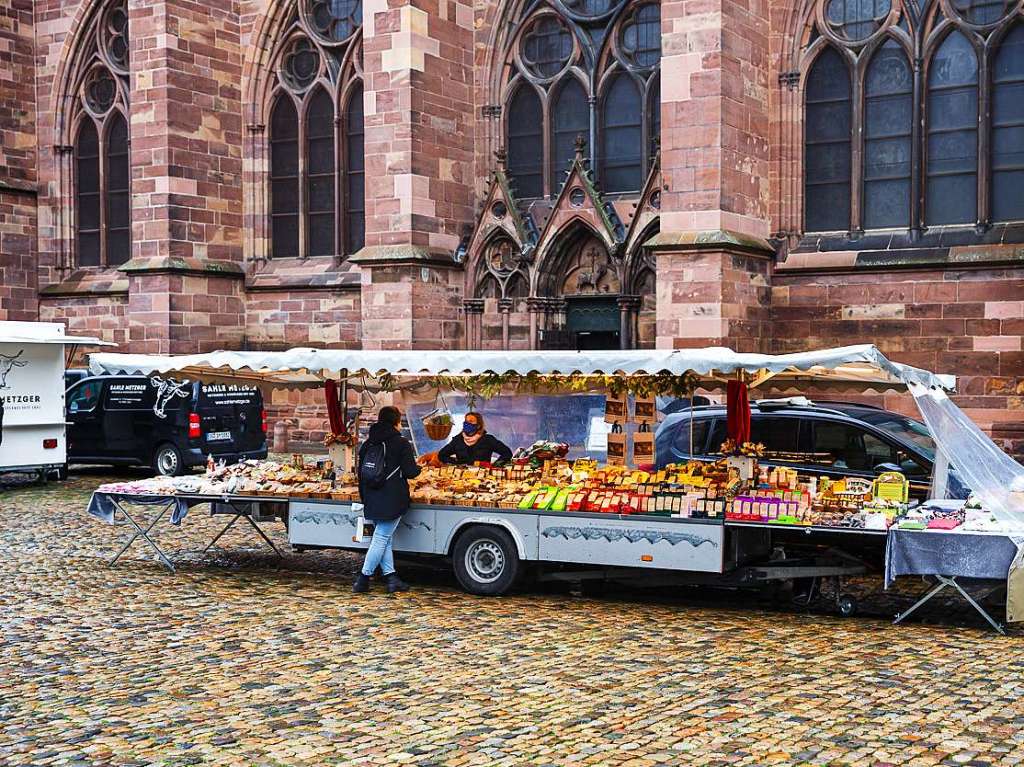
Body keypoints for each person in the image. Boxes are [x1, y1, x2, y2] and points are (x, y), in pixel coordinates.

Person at [353, 406, 421, 594]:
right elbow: (410, 471)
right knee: (382, 537)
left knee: (384, 538)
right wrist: (420, 468)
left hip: (371, 496)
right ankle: (363, 578)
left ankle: (391, 578)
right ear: (397, 422)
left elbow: (361, 473)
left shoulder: (367, 443)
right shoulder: (401, 443)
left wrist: (364, 497)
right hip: (391, 498)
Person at [438, 412, 513, 466]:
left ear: (478, 426)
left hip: (483, 477)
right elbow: (442, 455)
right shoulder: (458, 440)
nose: (467, 424)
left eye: (471, 421)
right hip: (461, 478)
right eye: (466, 422)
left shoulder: (488, 440)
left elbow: (507, 453)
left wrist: (495, 465)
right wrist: (456, 463)